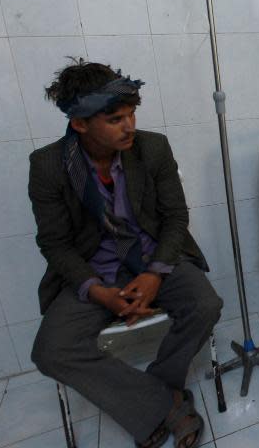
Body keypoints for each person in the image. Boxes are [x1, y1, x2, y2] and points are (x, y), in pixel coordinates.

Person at [28, 59, 222, 448]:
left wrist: (153, 276)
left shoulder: (152, 148)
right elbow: (55, 244)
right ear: (80, 123)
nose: (130, 126)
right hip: (93, 272)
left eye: (132, 114)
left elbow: (175, 216)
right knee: (50, 351)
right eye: (116, 119)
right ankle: (166, 404)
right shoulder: (48, 166)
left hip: (155, 259)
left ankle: (154, 399)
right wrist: (98, 292)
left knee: (205, 304)